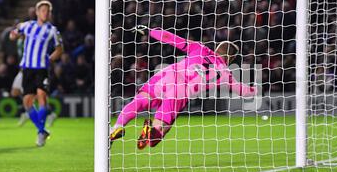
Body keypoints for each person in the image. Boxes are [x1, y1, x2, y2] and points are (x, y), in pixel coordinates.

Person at [110, 25, 257, 150]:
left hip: (167, 75)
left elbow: (172, 39)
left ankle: (117, 126)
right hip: (182, 90)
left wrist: (150, 31)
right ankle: (151, 131)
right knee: (160, 128)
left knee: (140, 101)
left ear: (217, 48)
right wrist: (257, 88)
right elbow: (244, 91)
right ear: (231, 58)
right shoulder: (225, 73)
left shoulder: (200, 48)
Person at [10, 0, 63, 147]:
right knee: (27, 102)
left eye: (47, 11)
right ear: (37, 12)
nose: (45, 13)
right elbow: (13, 34)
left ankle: (40, 134)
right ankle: (42, 130)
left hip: (41, 69)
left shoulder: (52, 30)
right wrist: (13, 35)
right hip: (27, 69)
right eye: (43, 10)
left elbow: (59, 49)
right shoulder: (27, 25)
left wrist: (50, 59)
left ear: (49, 13)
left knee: (42, 96)